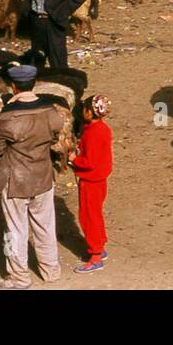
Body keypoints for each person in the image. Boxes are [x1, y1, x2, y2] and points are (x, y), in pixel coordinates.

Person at [0, 64, 65, 289]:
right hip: (43, 176)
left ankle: (18, 278)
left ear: (13, 87)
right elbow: (55, 136)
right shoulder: (51, 111)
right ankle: (51, 271)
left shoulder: (8, 116)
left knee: (14, 230)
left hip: (15, 181)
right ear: (34, 84)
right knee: (45, 226)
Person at [69, 94, 113, 274]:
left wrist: (74, 159)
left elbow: (90, 161)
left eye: (85, 109)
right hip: (100, 179)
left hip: (90, 181)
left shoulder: (93, 133)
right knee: (96, 214)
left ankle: (95, 256)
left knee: (88, 217)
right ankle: (100, 246)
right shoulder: (102, 128)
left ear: (89, 112)